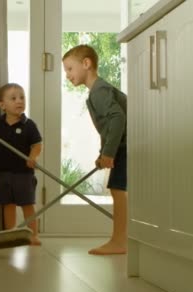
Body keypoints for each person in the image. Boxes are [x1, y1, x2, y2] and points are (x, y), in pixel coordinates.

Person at [62, 44, 128, 255]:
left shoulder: (99, 90)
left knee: (118, 190)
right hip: (124, 144)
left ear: (86, 63)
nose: (67, 75)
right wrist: (104, 153)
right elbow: (109, 128)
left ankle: (119, 241)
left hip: (128, 144)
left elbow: (118, 119)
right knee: (119, 190)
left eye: (70, 69)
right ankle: (122, 239)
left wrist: (109, 153)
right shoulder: (97, 91)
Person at [0, 83, 43, 245]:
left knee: (27, 204)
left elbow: (37, 145)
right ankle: (10, 234)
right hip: (2, 173)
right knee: (8, 204)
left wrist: (33, 157)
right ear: (2, 105)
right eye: (13, 98)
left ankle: (33, 235)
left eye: (22, 97)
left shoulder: (29, 125)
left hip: (23, 173)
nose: (19, 101)